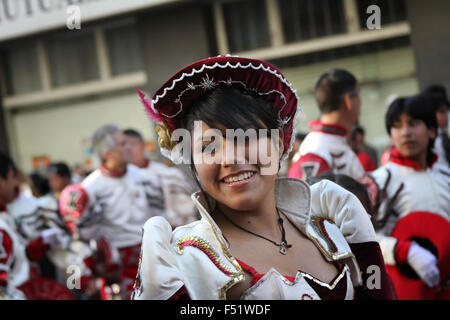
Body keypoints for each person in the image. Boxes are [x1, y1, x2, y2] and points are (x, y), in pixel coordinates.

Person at [132, 56, 395, 300]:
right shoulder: (185, 260)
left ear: (279, 142)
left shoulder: (331, 223)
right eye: (209, 146)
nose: (231, 158)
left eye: (246, 137)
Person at [59, 124, 185, 299]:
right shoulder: (90, 188)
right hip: (118, 264)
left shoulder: (142, 176)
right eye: (123, 144)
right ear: (107, 153)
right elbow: (84, 237)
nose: (129, 147)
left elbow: (161, 215)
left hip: (153, 255)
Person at [368, 94, 450, 300]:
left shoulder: (445, 175)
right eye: (397, 126)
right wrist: (406, 251)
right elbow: (366, 241)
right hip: (407, 290)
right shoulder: (379, 182)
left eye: (413, 124)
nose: (405, 133)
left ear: (431, 130)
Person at [288, 68, 365, 180]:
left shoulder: (328, 144)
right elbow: (306, 196)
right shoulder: (316, 153)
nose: (360, 102)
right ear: (348, 101)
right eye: (358, 95)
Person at [123, 128, 198, 227]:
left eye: (132, 144)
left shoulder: (167, 173)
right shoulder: (117, 181)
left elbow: (188, 211)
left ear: (143, 146)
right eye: (123, 145)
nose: (128, 149)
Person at [423, 84, 450, 169]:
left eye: (447, 111)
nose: (447, 116)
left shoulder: (445, 135)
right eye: (442, 112)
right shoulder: (427, 142)